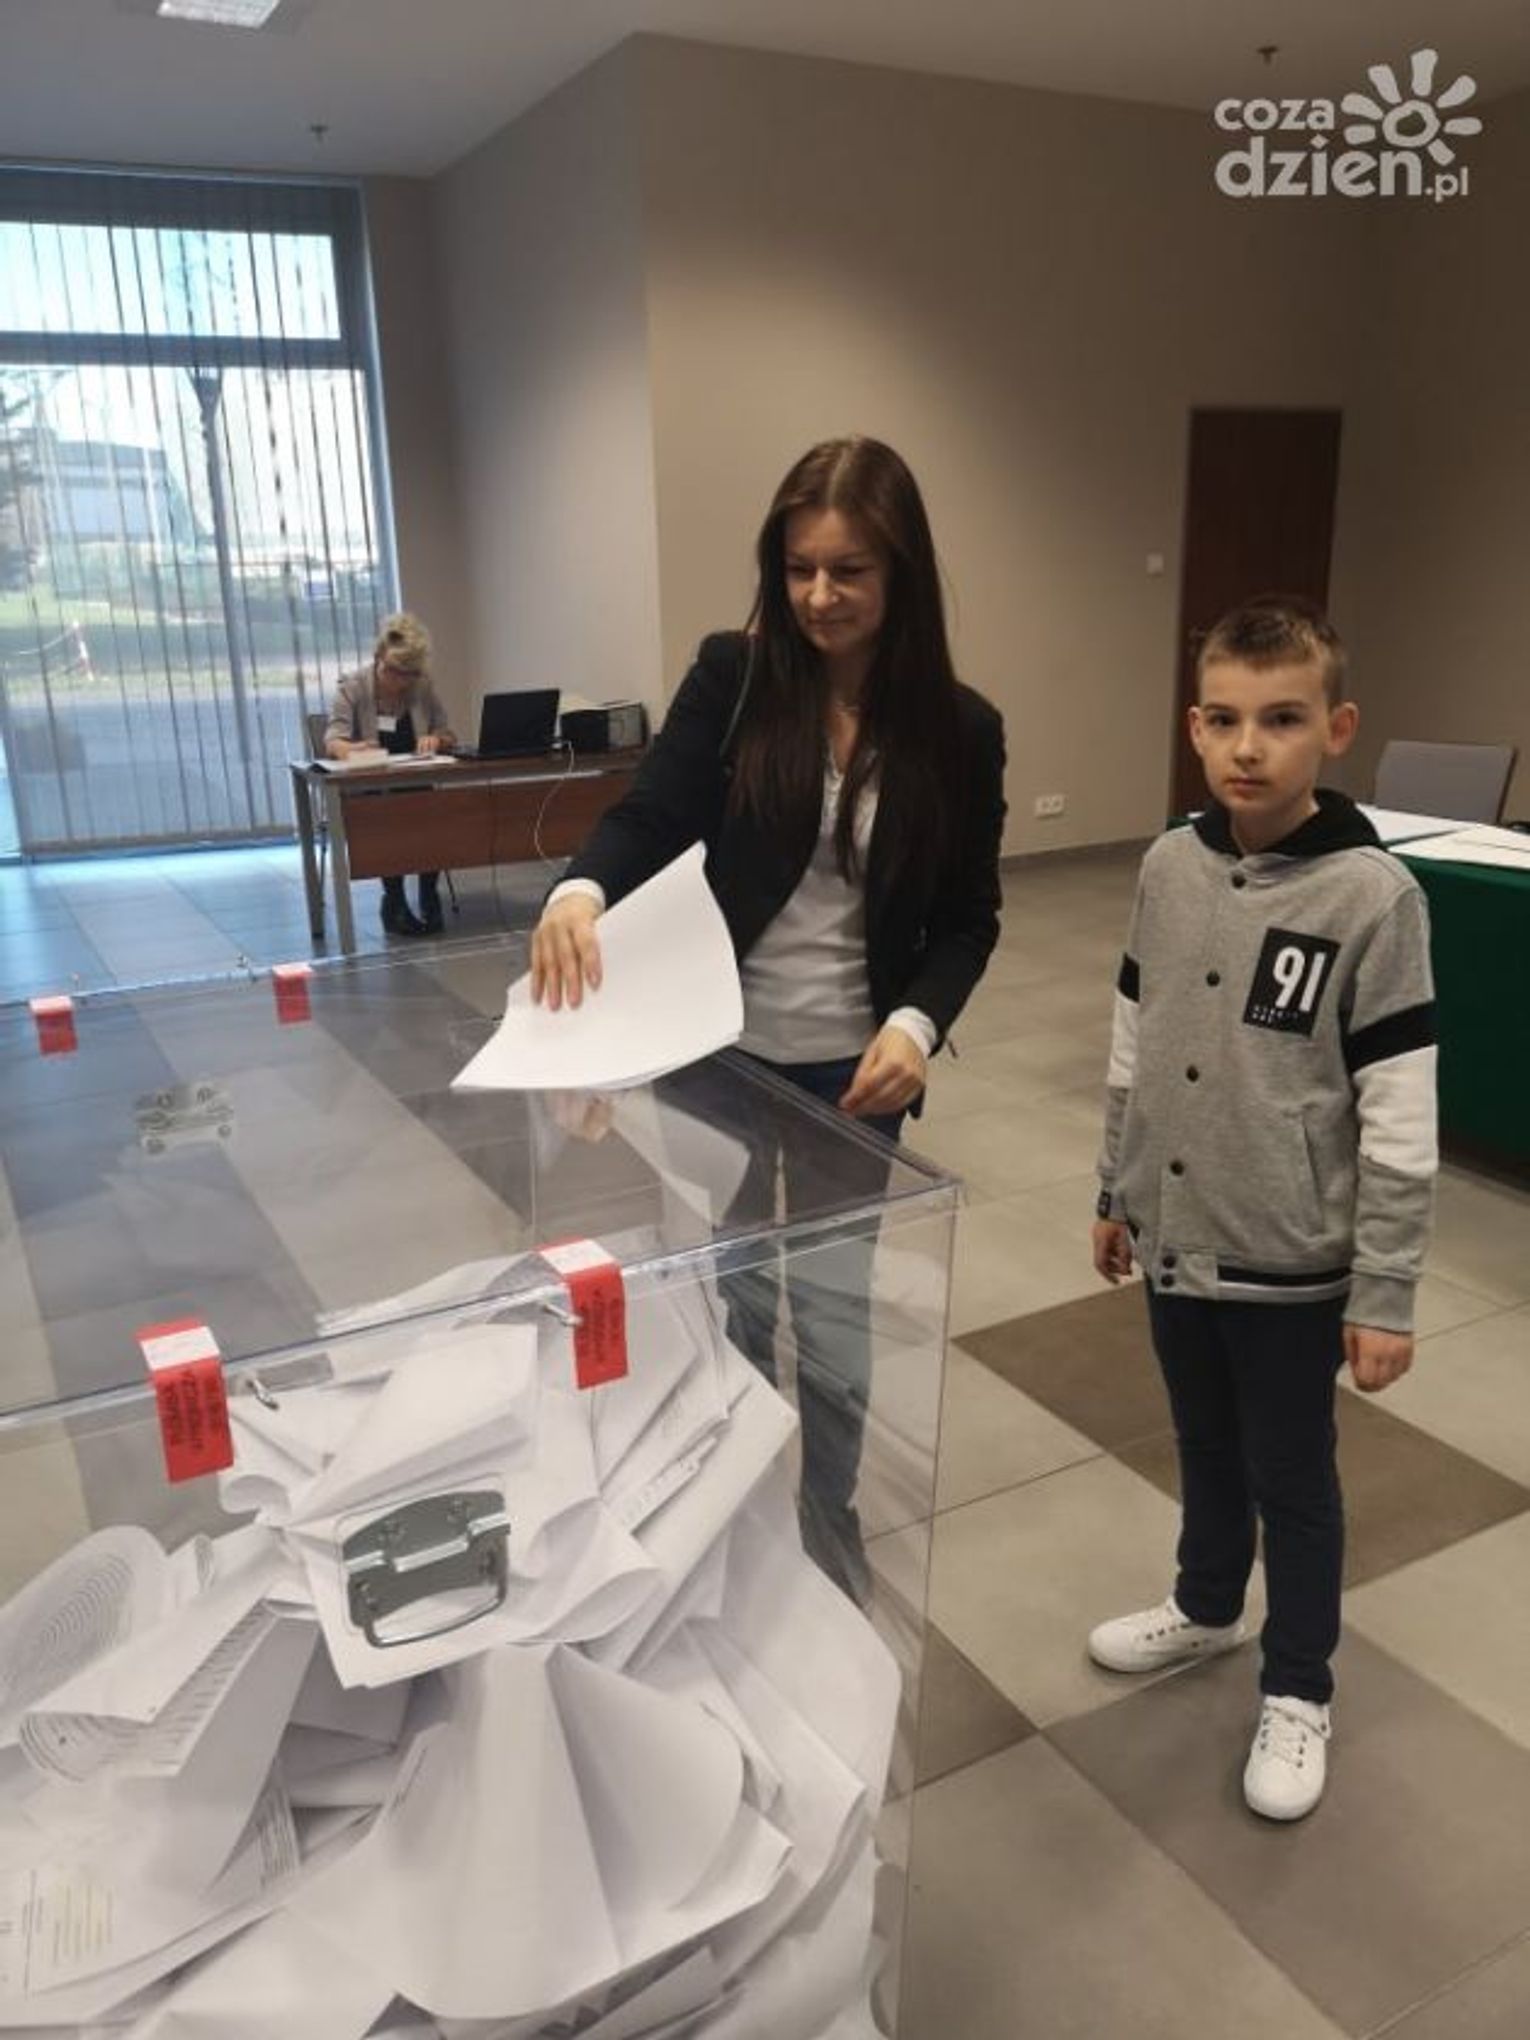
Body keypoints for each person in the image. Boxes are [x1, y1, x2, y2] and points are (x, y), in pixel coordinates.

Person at [530, 435, 1007, 1599]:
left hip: (857, 1075)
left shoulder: (961, 729)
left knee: (834, 1318)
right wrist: (579, 891)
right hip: (722, 1059)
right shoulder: (734, 680)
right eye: (798, 569)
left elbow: (967, 918)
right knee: (733, 1292)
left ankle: (825, 1514)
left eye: (849, 571)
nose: (819, 596)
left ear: (903, 573)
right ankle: (732, 1512)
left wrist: (917, 1025)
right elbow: (650, 817)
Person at [1088, 597, 1437, 1821]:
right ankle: (1204, 1604)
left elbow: (1400, 1113)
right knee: (1203, 1442)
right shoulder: (1167, 866)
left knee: (1292, 1476)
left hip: (1291, 1262)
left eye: (1282, 720)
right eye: (1226, 720)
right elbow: (1134, 1040)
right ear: (1195, 727)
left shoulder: (1374, 899)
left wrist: (1385, 1291)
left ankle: (1298, 1684)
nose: (1250, 748)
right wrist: (1116, 1186)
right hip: (1178, 1241)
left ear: (1335, 729)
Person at [325, 613, 456, 936]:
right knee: (388, 815)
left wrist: (436, 739)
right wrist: (352, 749)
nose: (398, 680)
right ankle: (394, 902)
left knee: (435, 812)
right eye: (392, 670)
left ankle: (429, 894)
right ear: (378, 657)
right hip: (370, 789)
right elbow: (333, 740)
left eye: (407, 674)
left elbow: (447, 732)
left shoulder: (422, 687)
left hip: (415, 782)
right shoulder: (353, 686)